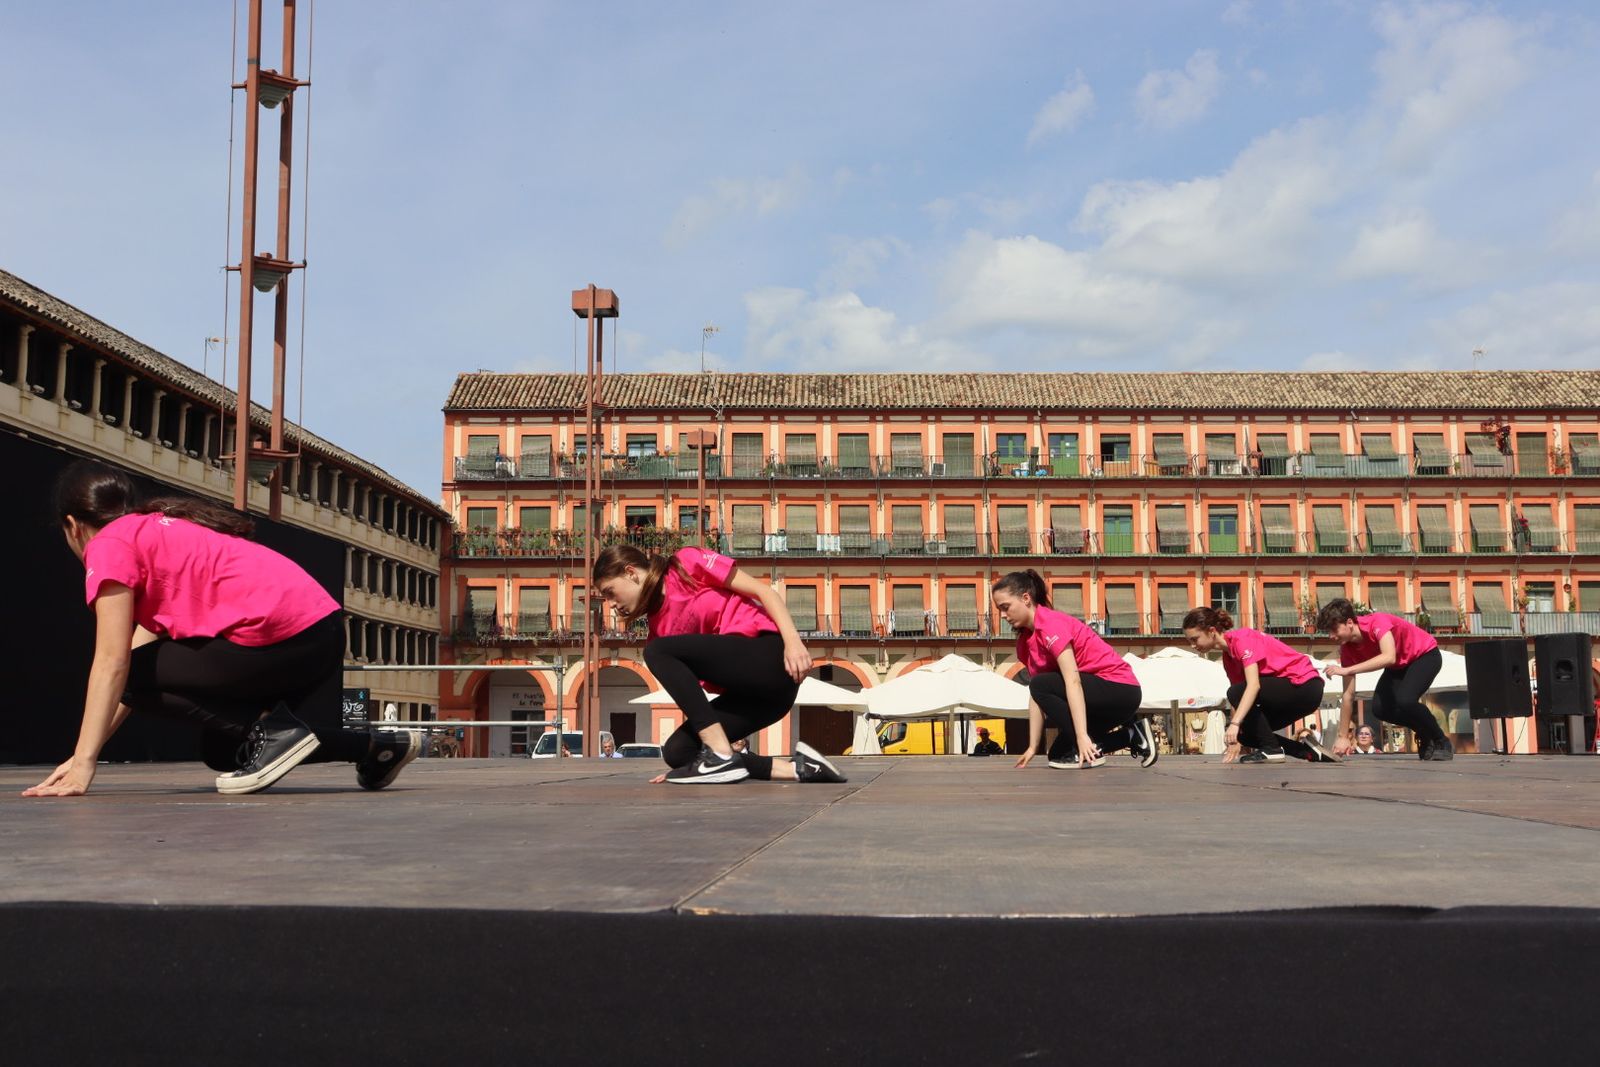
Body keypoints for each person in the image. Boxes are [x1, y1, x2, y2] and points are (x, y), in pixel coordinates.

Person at [23, 461, 417, 798]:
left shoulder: (108, 544)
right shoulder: (156, 530)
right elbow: (133, 667)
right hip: (321, 634)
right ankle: (377, 746)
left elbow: (114, 664)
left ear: (73, 526)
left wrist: (84, 765)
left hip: (283, 636)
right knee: (226, 750)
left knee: (135, 673)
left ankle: (276, 732)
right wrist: (80, 756)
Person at [593, 543, 846, 785]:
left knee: (655, 652)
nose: (611, 604)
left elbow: (763, 591)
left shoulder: (686, 564)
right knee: (677, 751)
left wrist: (793, 642)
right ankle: (800, 768)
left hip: (769, 658)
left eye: (609, 593)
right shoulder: (658, 630)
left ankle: (720, 754)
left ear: (631, 572)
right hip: (758, 701)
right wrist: (689, 770)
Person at [993, 570, 1155, 770]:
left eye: (1005, 607)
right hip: (1095, 698)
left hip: (1120, 690)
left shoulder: (1051, 624)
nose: (1002, 615)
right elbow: (1036, 696)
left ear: (1026, 598)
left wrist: (1081, 736)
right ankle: (1131, 735)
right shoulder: (1025, 642)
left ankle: (1089, 747)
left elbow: (1072, 680)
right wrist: (1032, 747)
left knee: (1042, 685)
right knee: (1059, 755)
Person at [1181, 606, 1335, 765]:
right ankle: (1306, 752)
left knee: (1235, 694)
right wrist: (1235, 734)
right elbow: (1238, 701)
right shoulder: (1229, 659)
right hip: (1295, 695)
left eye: (1195, 639)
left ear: (1211, 631)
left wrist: (1234, 723)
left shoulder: (1242, 639)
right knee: (1245, 734)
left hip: (1306, 686)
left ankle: (1272, 750)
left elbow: (1252, 686)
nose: (1193, 645)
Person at [1316, 598, 1451, 760]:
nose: (1331, 636)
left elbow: (1389, 657)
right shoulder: (1347, 651)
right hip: (1399, 667)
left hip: (1425, 655)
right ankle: (1425, 732)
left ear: (1349, 622)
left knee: (1406, 700)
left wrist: (1347, 670)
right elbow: (1348, 695)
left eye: (1333, 629)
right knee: (1380, 709)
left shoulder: (1377, 622)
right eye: (1328, 632)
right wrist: (1343, 736)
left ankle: (1441, 740)